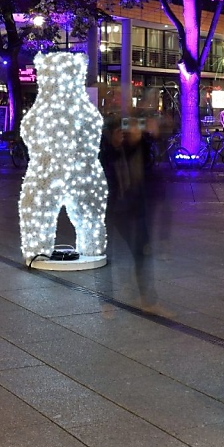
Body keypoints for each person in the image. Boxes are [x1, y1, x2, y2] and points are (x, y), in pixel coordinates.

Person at [100, 117, 158, 310]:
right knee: (111, 256)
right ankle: (107, 302)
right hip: (116, 210)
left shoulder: (134, 148)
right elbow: (105, 170)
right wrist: (114, 147)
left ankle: (145, 299)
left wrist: (144, 136)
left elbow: (147, 162)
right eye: (121, 131)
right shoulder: (108, 152)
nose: (125, 133)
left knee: (141, 252)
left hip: (136, 208)